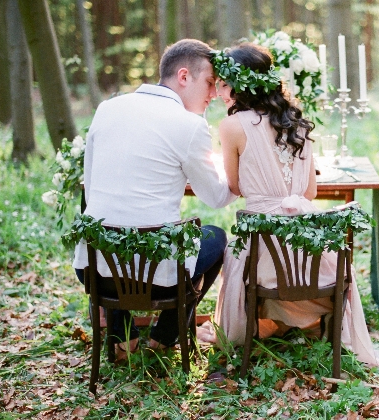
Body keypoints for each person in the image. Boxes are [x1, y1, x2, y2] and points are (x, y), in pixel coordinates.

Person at [198, 43, 379, 368]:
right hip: (310, 254)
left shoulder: (232, 126)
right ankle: (298, 324)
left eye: (223, 83)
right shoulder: (297, 124)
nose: (219, 91)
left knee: (237, 253)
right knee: (294, 253)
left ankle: (260, 327)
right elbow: (310, 191)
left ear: (240, 83)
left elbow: (234, 186)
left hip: (265, 254)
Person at [72, 39, 238, 358]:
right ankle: (163, 336)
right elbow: (217, 197)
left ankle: (124, 339)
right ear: (184, 76)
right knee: (216, 237)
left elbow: (90, 190)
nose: (214, 93)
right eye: (209, 82)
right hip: (155, 277)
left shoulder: (108, 108)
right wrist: (239, 168)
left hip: (93, 270)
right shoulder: (190, 125)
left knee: (116, 235)